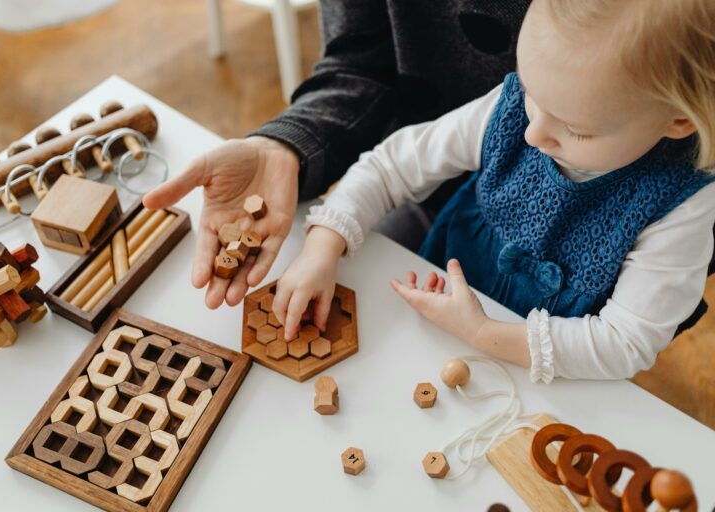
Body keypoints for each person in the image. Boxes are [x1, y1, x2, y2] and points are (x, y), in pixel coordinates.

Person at [272, 0, 715, 382]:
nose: (533, 134)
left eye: (576, 130)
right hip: (431, 315)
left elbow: (625, 343)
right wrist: (322, 246)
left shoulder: (683, 204)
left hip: (546, 371)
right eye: (531, 94)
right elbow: (392, 166)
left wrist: (483, 333)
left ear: (679, 121)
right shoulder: (515, 112)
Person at [143, 0, 532, 308]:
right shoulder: (491, 114)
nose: (537, 133)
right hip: (424, 194)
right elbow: (358, 67)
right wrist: (283, 146)